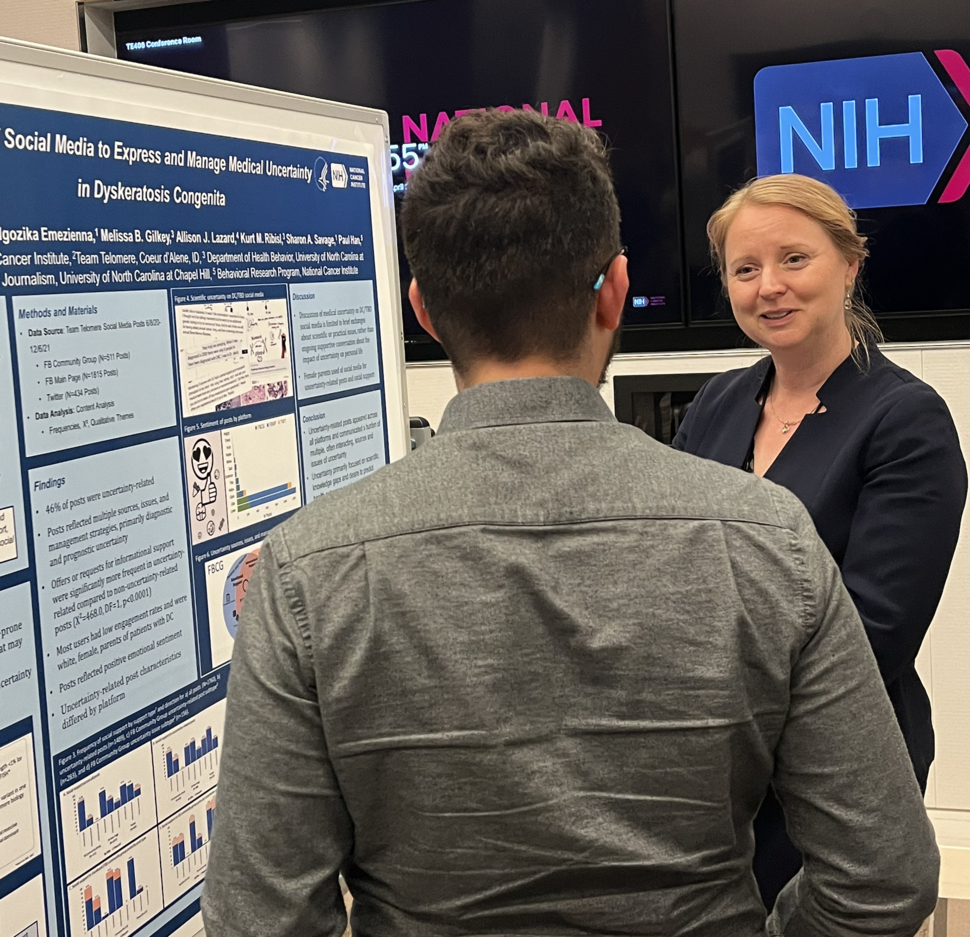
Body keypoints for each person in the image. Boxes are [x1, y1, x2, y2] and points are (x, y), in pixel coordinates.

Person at [201, 113, 939, 937]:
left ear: (424, 311)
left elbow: (258, 917)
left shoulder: (305, 572)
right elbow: (883, 877)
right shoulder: (772, 538)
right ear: (615, 291)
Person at [672, 172, 967, 908]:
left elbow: (875, 635)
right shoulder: (717, 402)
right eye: (745, 269)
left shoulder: (906, 421)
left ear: (850, 264)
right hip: (718, 761)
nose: (769, 286)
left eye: (794, 259)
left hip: (835, 769)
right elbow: (667, 565)